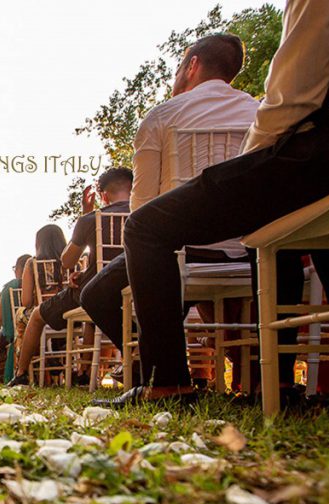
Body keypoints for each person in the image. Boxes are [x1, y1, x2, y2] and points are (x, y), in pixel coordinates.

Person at [101, 0, 329, 413]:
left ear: (190, 66)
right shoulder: (250, 106)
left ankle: (166, 382)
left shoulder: (163, 116)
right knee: (310, 220)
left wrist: (250, 174)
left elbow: (296, 89)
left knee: (144, 229)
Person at [79, 34, 260, 385]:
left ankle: (158, 363)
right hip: (247, 252)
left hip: (177, 251)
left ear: (192, 65)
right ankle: (243, 372)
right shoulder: (260, 113)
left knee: (95, 294)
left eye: (179, 66)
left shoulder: (162, 116)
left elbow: (142, 208)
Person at [9, 169, 132, 386]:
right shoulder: (148, 212)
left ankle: (20, 375)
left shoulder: (91, 219)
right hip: (136, 288)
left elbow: (66, 261)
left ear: (103, 195)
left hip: (95, 292)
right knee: (91, 319)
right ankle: (85, 371)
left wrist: (85, 215)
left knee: (37, 316)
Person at [0, 254, 33, 383]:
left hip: (16, 334)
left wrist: (9, 329)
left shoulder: (9, 287)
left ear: (19, 268)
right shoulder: (40, 284)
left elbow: (0, 317)